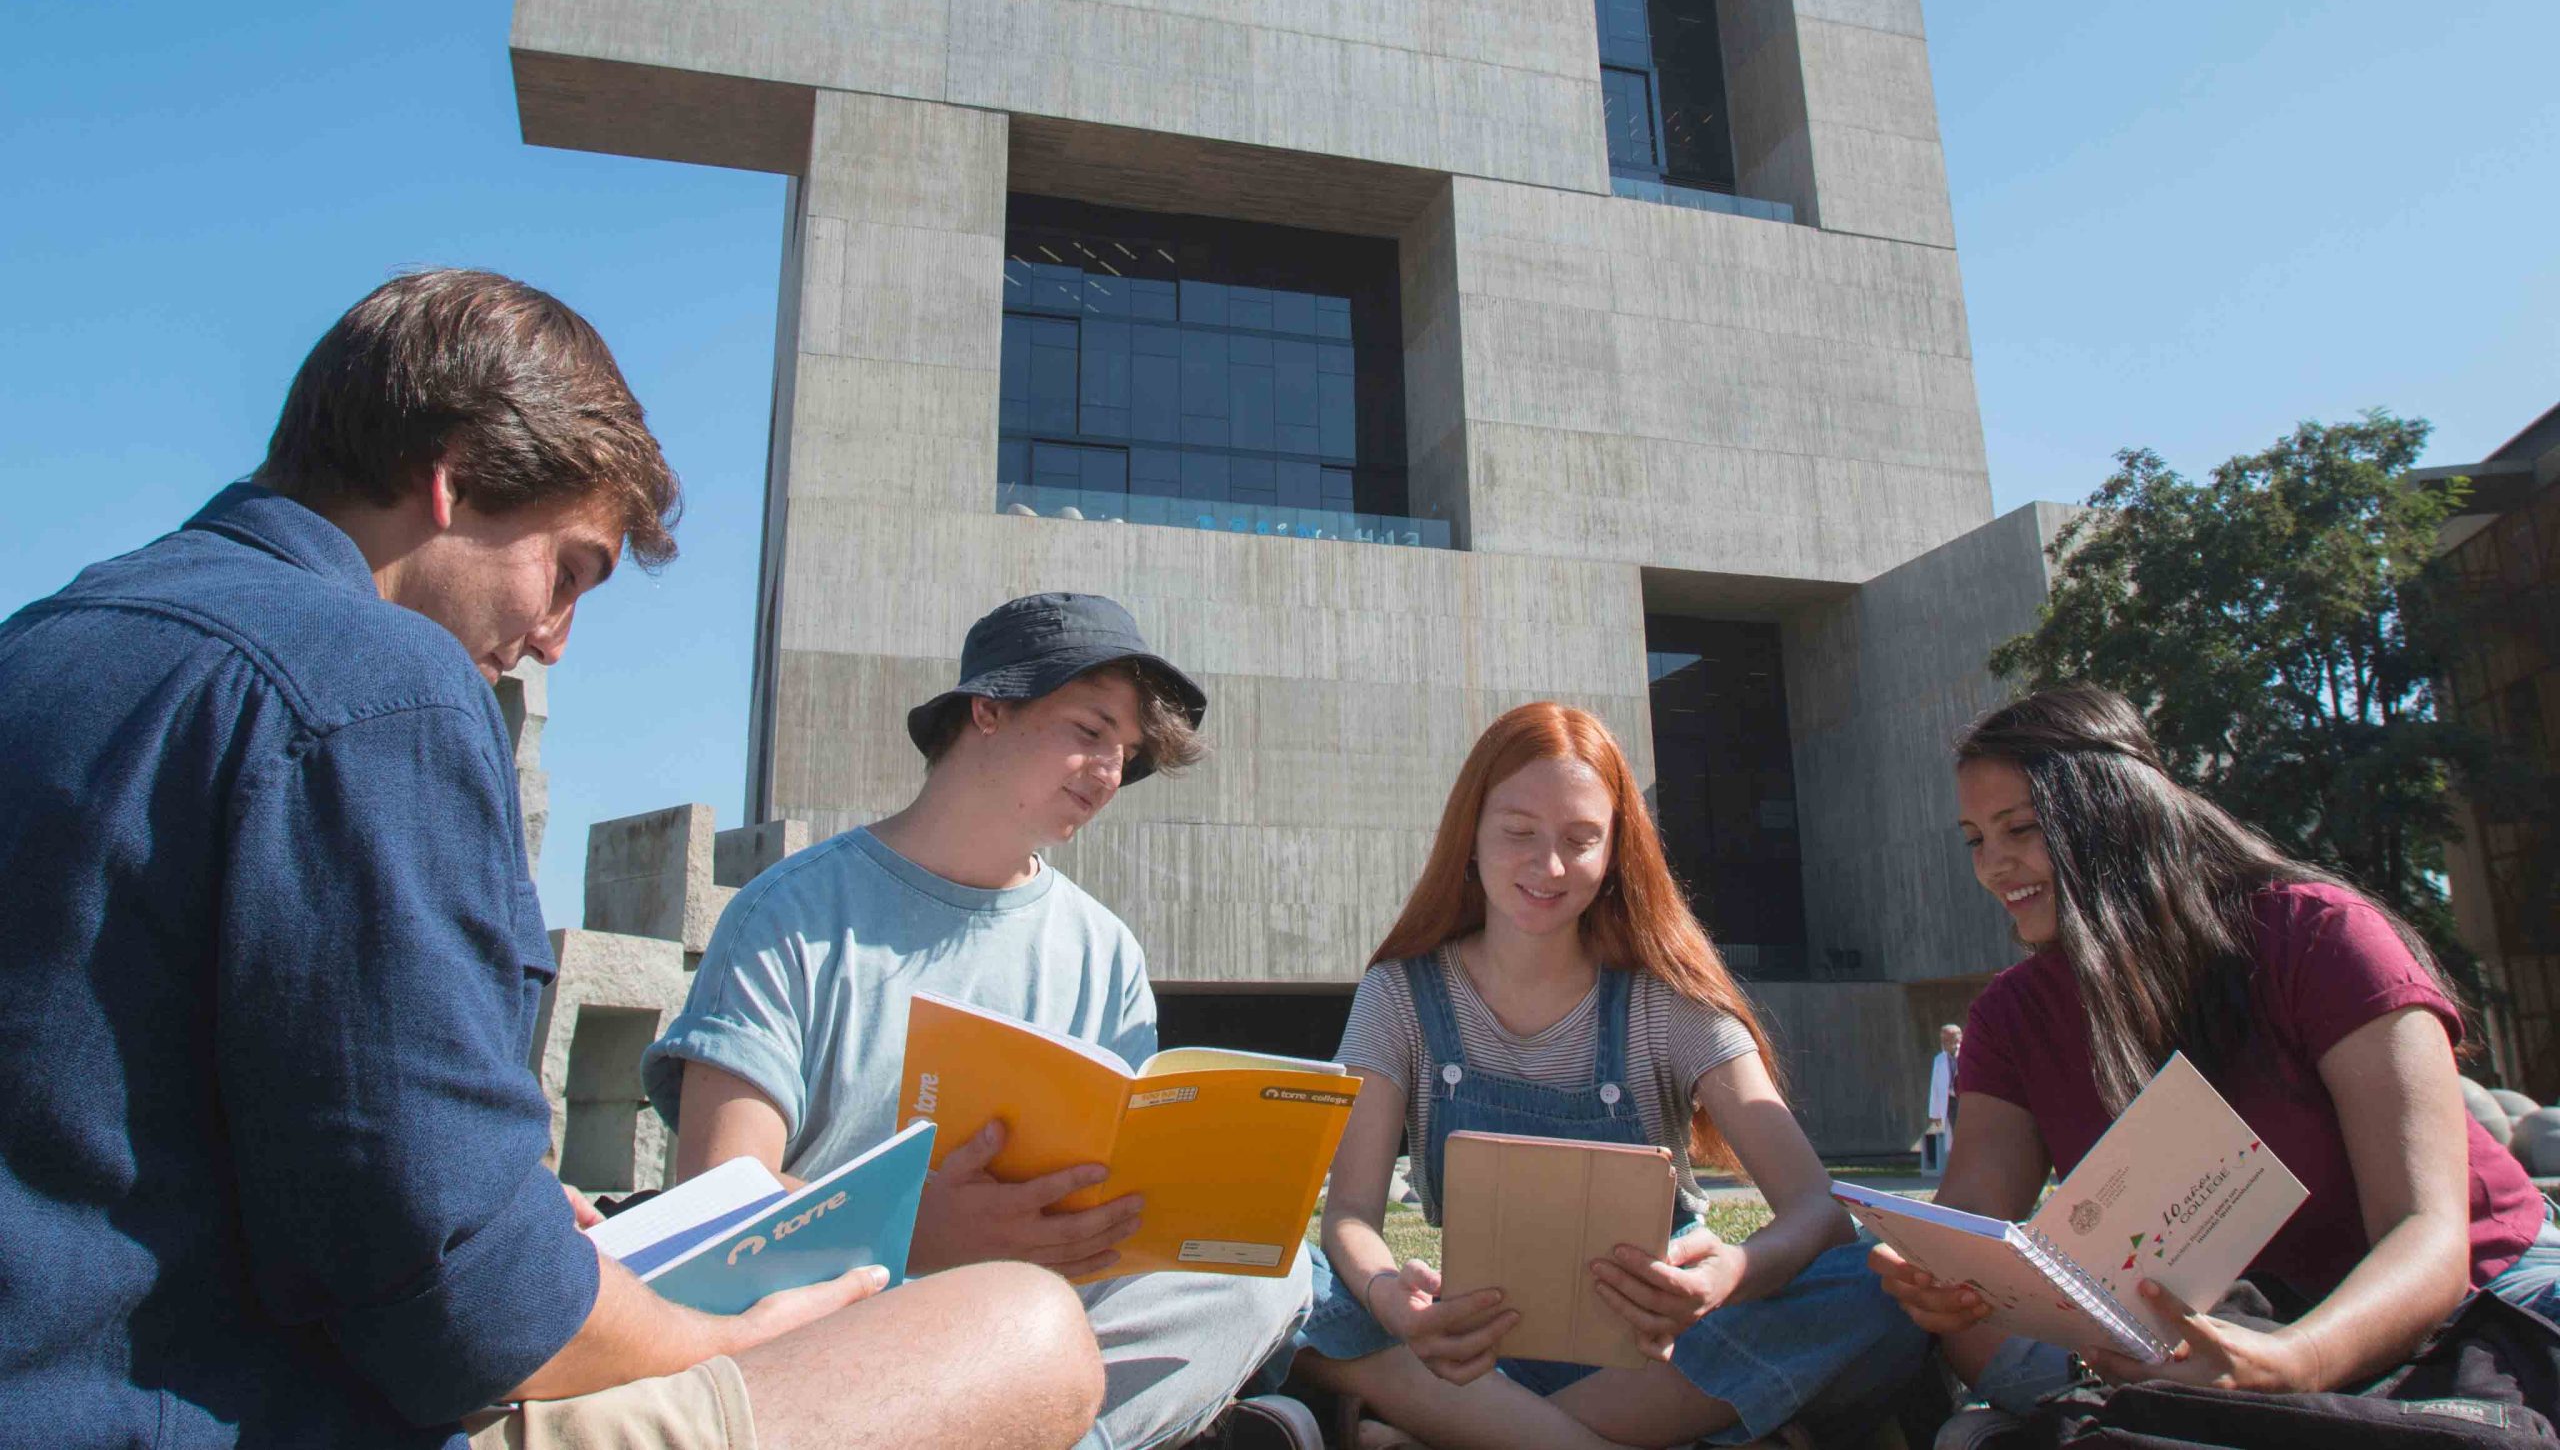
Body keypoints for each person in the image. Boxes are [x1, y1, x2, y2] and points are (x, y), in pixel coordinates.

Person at [0, 270, 1103, 1450]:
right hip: (220, 1414)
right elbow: (464, 1307)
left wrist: (505, 1212)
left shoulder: (44, 643)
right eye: (569, 571)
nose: (554, 641)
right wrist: (745, 1336)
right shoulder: (378, 684)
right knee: (1021, 1334)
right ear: (455, 476)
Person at [645, 592, 1321, 1450]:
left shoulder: (1103, 949)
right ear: (989, 708)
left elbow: (1131, 1190)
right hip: (841, 1323)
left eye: (1125, 752)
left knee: (1267, 1273)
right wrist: (917, 1229)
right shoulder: (791, 912)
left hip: (1049, 1315)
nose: (1109, 771)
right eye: (1089, 729)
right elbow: (717, 1194)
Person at [1872, 683, 2560, 1423]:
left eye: (2022, 828)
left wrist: (2295, 1362)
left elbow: (2428, 1237)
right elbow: (1977, 1210)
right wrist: (1937, 1276)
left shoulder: (2319, 934)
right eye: (1976, 838)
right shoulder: (2012, 1015)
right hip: (2219, 1327)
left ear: (2115, 809)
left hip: (2477, 1298)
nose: (1994, 865)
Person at [1293, 702, 1924, 1449]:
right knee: (1286, 1280)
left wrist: (1733, 1271)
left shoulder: (1666, 995)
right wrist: (1388, 1297)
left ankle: (1454, 1432)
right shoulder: (1398, 992)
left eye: (1580, 838)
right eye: (1519, 832)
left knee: (1877, 1283)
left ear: (1618, 847)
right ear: (1471, 835)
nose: (1548, 865)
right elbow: (1350, 1216)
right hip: (1473, 1345)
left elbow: (1816, 1206)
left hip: (1660, 1347)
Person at [1923, 1024, 1962, 1174]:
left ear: (1959, 1038)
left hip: (1965, 1101)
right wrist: (1935, 1113)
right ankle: (1958, 1169)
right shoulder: (1939, 1060)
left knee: (1967, 1134)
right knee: (1954, 1137)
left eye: (1948, 1039)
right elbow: (1935, 1087)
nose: (1945, 1043)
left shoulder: (1968, 1054)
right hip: (1950, 1102)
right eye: (1943, 1040)